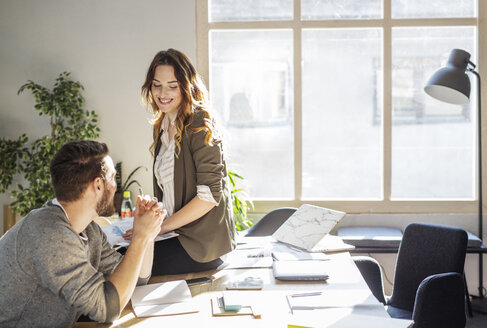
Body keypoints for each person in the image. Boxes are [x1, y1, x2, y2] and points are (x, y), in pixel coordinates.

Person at [0, 140, 164, 327]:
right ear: (98, 186)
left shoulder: (89, 229)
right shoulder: (50, 235)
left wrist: (148, 233)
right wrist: (140, 237)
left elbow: (135, 279)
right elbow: (109, 309)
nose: (116, 187)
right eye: (113, 179)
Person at [124, 49, 236, 275]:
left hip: (202, 245)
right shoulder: (162, 124)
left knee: (126, 265)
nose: (162, 93)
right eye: (156, 85)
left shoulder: (199, 122)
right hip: (177, 234)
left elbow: (209, 196)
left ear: (187, 87)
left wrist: (157, 229)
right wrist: (149, 220)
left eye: (172, 86)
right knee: (117, 255)